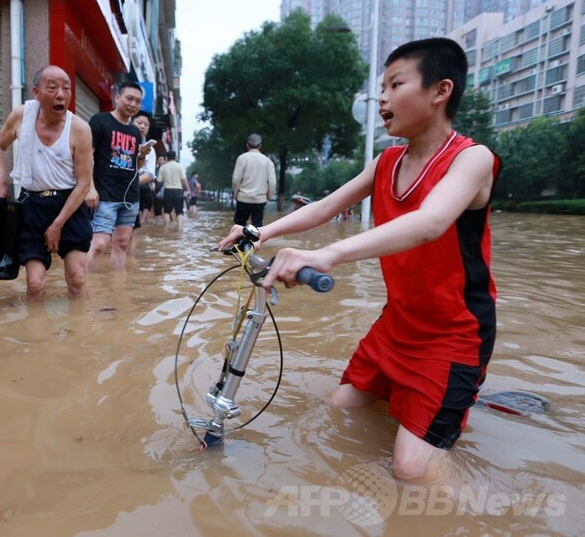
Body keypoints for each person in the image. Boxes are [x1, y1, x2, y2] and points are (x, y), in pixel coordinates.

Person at [219, 38, 500, 483]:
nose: (382, 97)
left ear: (440, 90)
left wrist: (327, 253)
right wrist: (260, 232)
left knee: (410, 469)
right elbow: (326, 207)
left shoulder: (472, 159)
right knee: (340, 416)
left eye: (395, 83)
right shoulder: (386, 161)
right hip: (397, 324)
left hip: (454, 335)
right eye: (381, 87)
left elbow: (430, 222)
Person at [0, 65, 93, 300]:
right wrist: (1, 183)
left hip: (70, 206)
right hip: (31, 205)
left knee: (77, 278)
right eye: (53, 88)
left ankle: (79, 333)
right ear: (36, 92)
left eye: (66, 89)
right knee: (35, 284)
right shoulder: (21, 117)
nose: (61, 94)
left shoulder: (80, 129)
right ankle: (35, 335)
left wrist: (57, 224)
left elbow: (84, 184)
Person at [84, 82, 154, 271]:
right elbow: (86, 156)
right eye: (129, 98)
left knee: (122, 243)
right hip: (105, 194)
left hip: (130, 197)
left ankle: (118, 289)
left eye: (138, 101)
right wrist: (89, 188)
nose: (133, 104)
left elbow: (135, 167)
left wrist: (142, 156)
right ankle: (82, 288)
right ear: (117, 97)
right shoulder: (100, 121)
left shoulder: (135, 132)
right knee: (99, 244)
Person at [231, 133, 276, 227]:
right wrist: (268, 196)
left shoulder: (242, 158)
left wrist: (235, 194)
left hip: (243, 197)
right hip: (259, 200)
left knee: (239, 226)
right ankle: (253, 242)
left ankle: (239, 242)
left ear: (247, 145)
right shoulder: (268, 161)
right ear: (260, 146)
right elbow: (272, 183)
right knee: (257, 228)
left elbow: (236, 179)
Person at [134, 112, 156, 226]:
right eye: (139, 123)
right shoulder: (119, 139)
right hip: (109, 193)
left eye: (146, 124)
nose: (142, 126)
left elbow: (150, 173)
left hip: (135, 190)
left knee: (129, 232)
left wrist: (129, 183)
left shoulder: (149, 149)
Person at [156, 150, 189, 228]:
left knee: (167, 212)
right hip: (178, 191)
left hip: (167, 191)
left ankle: (166, 230)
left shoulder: (163, 167)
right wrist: (188, 190)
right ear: (175, 157)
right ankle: (179, 229)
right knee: (179, 212)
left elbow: (159, 181)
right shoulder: (179, 166)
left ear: (166, 158)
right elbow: (184, 180)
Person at [153, 154, 167, 220]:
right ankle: (158, 223)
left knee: (166, 209)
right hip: (156, 190)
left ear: (164, 161)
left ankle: (164, 222)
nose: (160, 161)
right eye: (159, 160)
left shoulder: (167, 170)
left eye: (161, 160)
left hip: (166, 190)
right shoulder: (155, 170)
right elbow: (152, 178)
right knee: (157, 209)